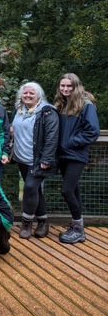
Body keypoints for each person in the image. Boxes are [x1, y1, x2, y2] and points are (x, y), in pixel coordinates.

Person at [54, 73, 100, 244]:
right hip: (64, 154)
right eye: (62, 86)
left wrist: (71, 141)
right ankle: (76, 226)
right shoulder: (62, 104)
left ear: (76, 86)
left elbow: (93, 131)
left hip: (76, 154)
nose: (65, 89)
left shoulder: (86, 105)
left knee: (66, 190)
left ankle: (79, 230)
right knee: (74, 191)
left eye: (69, 86)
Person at [11, 82, 58, 239]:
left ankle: (26, 223)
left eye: (31, 93)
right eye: (25, 93)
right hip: (21, 158)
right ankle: (43, 222)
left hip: (38, 160)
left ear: (39, 95)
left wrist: (46, 158)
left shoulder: (47, 111)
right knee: (35, 190)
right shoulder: (18, 110)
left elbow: (52, 136)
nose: (28, 95)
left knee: (30, 188)